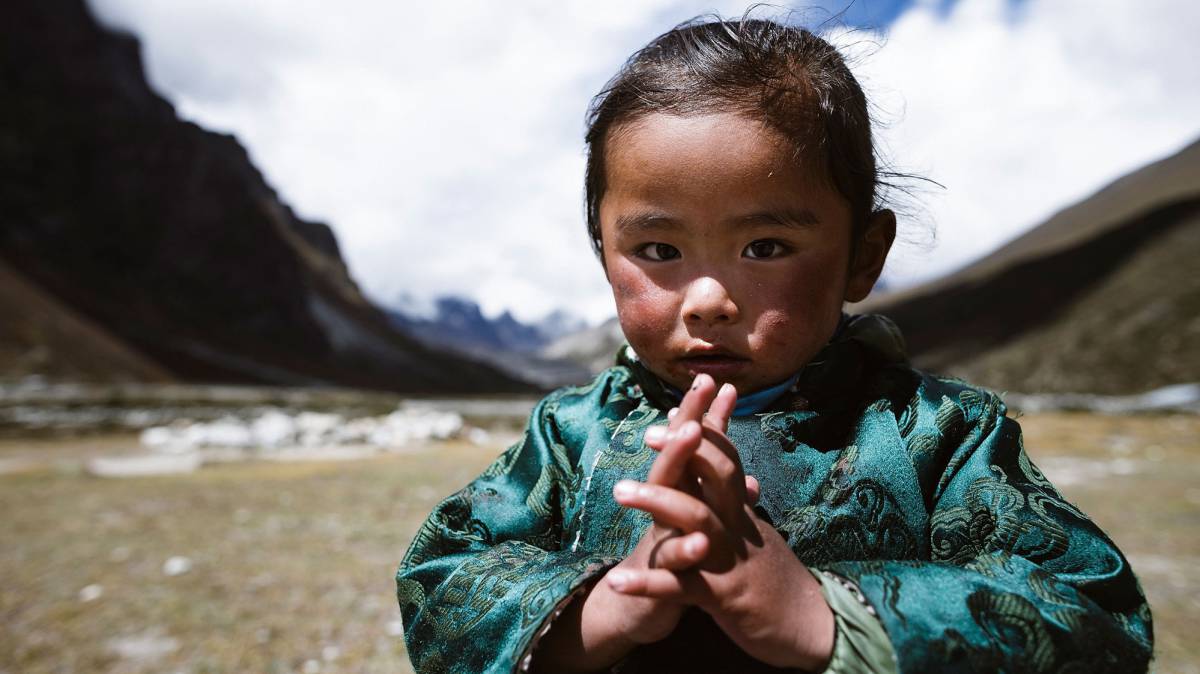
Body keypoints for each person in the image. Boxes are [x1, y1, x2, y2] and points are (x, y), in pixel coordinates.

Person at [395, 15, 1153, 674]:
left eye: (764, 247)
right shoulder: (568, 435)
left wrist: (817, 614)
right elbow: (442, 577)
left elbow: (1096, 615)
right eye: (658, 251)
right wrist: (607, 605)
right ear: (603, 251)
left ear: (863, 256)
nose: (708, 301)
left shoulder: (941, 435)